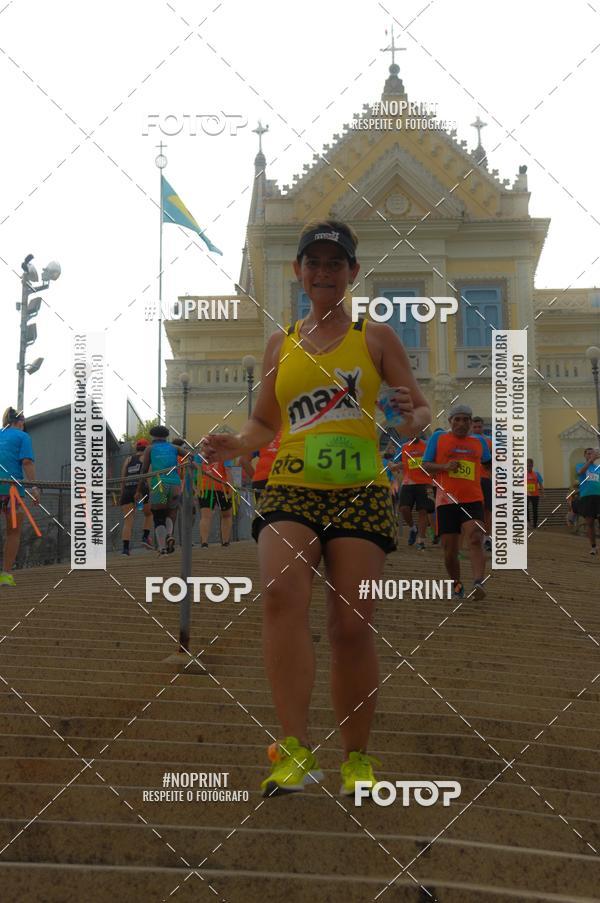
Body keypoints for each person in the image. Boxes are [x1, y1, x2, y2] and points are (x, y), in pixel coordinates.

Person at [201, 219, 430, 798]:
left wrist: (407, 415)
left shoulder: (375, 337)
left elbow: (418, 412)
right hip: (290, 486)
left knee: (352, 626)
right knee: (280, 596)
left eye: (336, 264)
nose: (324, 273)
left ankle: (356, 758)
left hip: (359, 490)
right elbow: (264, 422)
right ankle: (294, 749)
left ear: (352, 273)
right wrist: (237, 443)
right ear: (299, 272)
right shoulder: (282, 342)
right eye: (314, 263)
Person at [422, 405, 491, 600]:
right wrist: (444, 466)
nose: (461, 423)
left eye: (465, 419)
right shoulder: (439, 438)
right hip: (446, 501)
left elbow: (489, 463)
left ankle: (478, 582)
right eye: (457, 419)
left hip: (473, 499)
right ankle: (457, 584)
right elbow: (426, 466)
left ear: (470, 422)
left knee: (476, 537)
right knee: (450, 550)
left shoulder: (479, 442)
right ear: (450, 421)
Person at [0, 407, 40, 586]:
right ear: (20, 422)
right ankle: (6, 576)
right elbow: (27, 462)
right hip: (12, 492)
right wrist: (34, 487)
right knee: (13, 532)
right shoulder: (23, 437)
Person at [137, 425, 181, 555]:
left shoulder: (150, 448)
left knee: (158, 515)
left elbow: (144, 470)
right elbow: (190, 455)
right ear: (166, 436)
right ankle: (169, 534)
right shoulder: (174, 448)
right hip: (175, 486)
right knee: (171, 511)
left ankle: (162, 547)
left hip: (160, 486)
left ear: (153, 436)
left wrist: (139, 489)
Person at [397, 435, 432, 551]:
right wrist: (393, 465)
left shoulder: (427, 445)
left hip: (424, 483)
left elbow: (433, 461)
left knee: (423, 510)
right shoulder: (403, 447)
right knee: (404, 509)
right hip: (408, 482)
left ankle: (421, 540)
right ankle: (413, 528)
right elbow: (395, 462)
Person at [119, 439, 153, 554]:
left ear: (136, 448)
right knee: (149, 514)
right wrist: (151, 489)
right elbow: (147, 476)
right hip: (141, 491)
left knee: (128, 520)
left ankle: (125, 549)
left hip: (127, 492)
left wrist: (121, 494)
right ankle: (145, 537)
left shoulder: (128, 459)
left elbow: (122, 479)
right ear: (147, 449)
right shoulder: (146, 458)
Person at [195, 458, 234, 547]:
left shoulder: (201, 455)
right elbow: (228, 471)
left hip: (205, 487)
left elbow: (197, 473)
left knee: (205, 517)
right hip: (222, 487)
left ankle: (204, 542)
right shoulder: (225, 454)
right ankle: (225, 542)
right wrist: (231, 489)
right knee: (226, 515)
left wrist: (197, 488)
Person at [471, 416, 493, 551]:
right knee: (473, 509)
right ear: (471, 427)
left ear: (483, 426)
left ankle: (487, 537)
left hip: (485, 479)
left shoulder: (489, 442)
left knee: (487, 509)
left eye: (480, 427)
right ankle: (473, 537)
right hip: (470, 480)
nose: (478, 429)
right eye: (475, 427)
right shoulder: (468, 441)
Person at [575, 448, 600, 556]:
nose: (590, 455)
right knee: (589, 523)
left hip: (598, 496)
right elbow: (580, 472)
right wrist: (590, 461)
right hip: (586, 497)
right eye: (588, 454)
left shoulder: (598, 468)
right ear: (585, 455)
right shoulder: (580, 465)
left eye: (592, 454)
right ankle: (593, 547)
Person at [526, 458, 544, 530]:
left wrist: (543, 493)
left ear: (532, 465)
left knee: (535, 510)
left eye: (530, 465)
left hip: (535, 495)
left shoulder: (536, 474)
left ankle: (535, 525)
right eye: (527, 466)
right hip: (526, 495)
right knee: (526, 509)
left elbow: (540, 484)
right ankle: (528, 523)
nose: (528, 467)